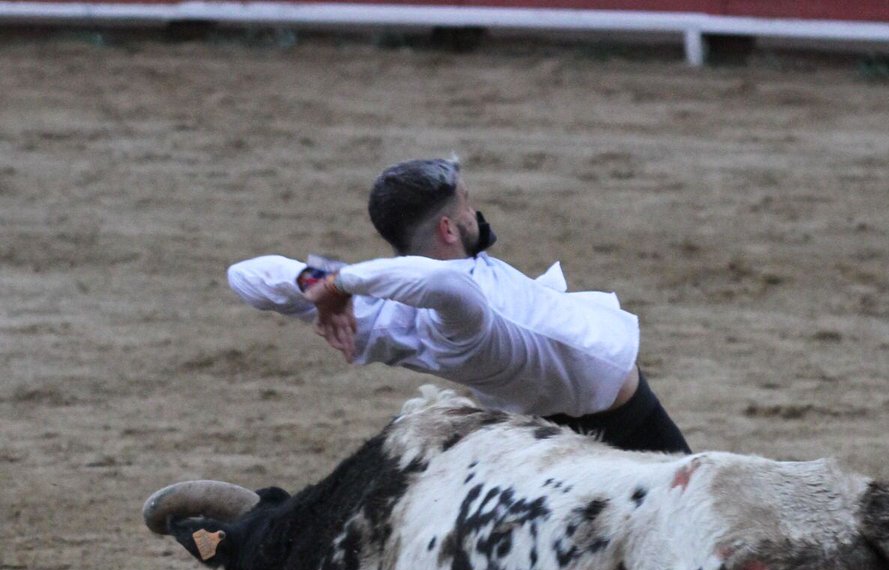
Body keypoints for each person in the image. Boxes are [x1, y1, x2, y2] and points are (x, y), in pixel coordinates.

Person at [227, 157, 690, 455]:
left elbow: (245, 274)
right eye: (467, 205)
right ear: (448, 229)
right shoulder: (462, 316)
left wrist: (318, 283)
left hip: (544, 439)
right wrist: (342, 280)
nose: (475, 213)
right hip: (628, 426)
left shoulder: (370, 310)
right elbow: (444, 285)